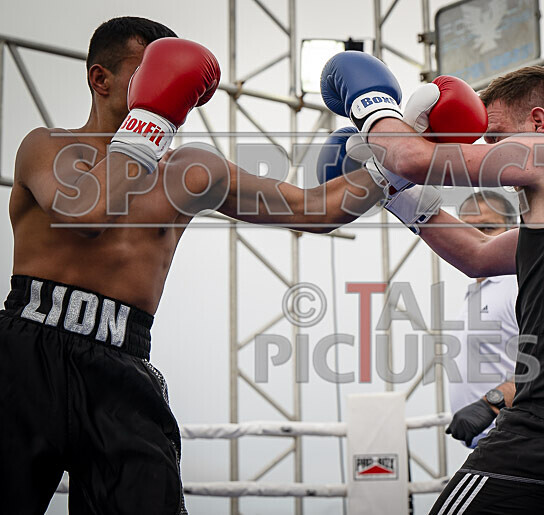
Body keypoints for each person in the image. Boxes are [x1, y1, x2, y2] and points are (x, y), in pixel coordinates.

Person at [0, 19, 396, 514]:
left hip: (121, 365)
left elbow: (314, 210)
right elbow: (86, 212)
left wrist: (400, 157)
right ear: (100, 79)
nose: (167, 90)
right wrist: (149, 121)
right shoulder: (47, 147)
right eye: (147, 72)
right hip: (24, 353)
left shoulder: (190, 172)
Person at [320, 52, 544, 513]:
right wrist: (395, 196)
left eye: (499, 137)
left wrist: (374, 109)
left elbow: (410, 156)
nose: (490, 150)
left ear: (539, 122)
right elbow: (477, 255)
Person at [445, 192, 518, 449]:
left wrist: (491, 403)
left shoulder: (516, 284)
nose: (477, 236)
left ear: (514, 230)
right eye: (467, 229)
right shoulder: (476, 292)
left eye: (488, 227)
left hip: (513, 442)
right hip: (490, 444)